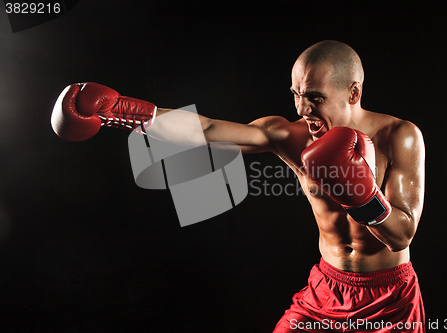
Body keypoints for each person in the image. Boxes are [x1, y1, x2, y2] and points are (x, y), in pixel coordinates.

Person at [51, 40, 425, 332]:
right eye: (297, 94)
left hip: (389, 299)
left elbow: (401, 235)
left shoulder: (400, 136)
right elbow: (208, 130)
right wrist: (122, 109)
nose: (303, 110)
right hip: (327, 288)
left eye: (315, 98)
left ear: (354, 93)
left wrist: (362, 197)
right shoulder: (291, 135)